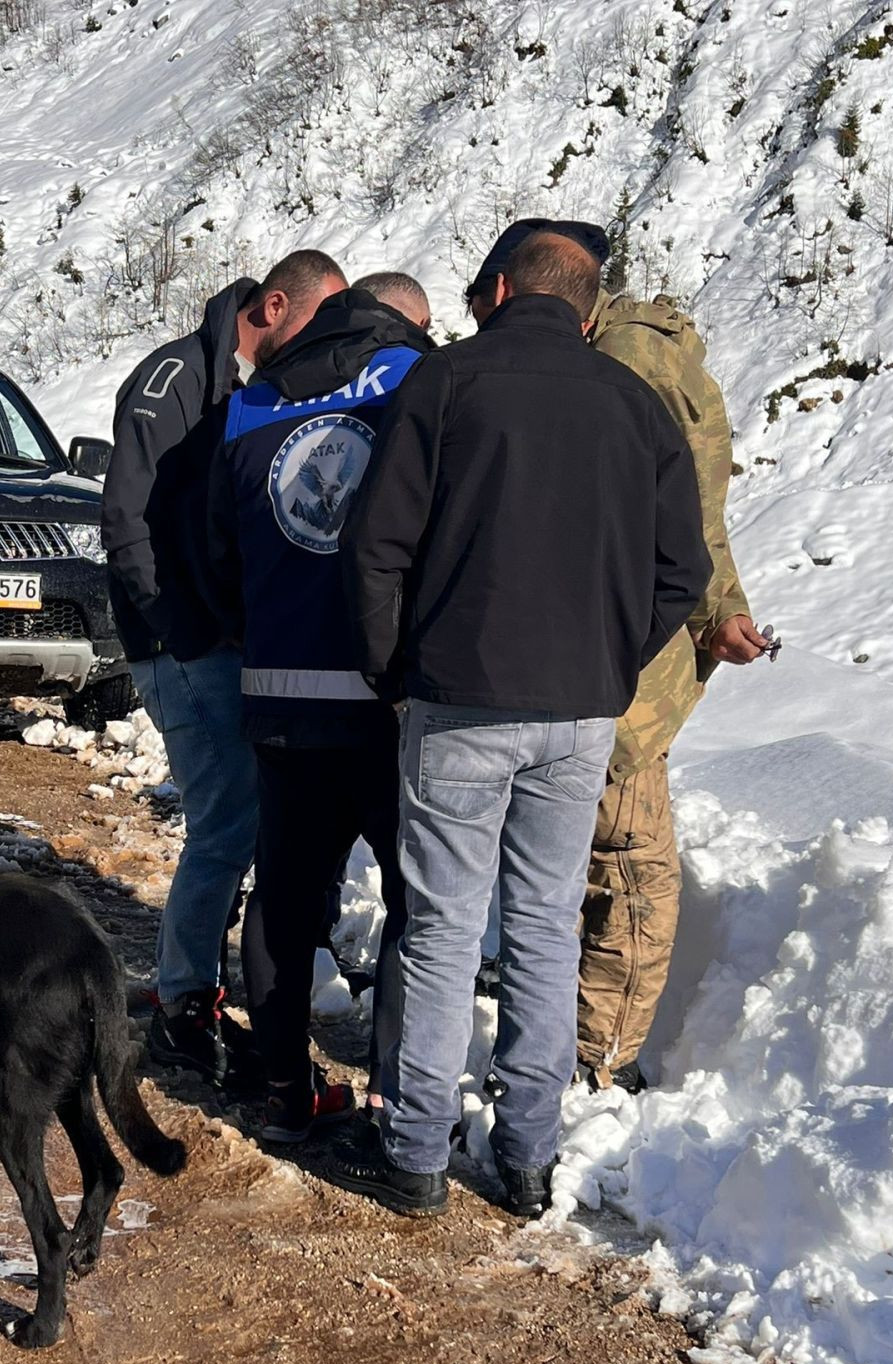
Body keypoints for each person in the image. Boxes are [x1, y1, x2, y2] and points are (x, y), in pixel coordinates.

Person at [331, 230, 712, 1220]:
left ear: (497, 290)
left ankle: (414, 1155)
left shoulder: (445, 383)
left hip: (455, 698)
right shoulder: (634, 404)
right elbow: (682, 572)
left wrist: (393, 674)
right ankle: (527, 1158)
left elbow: (372, 549)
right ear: (587, 312)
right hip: (579, 710)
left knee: (444, 925)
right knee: (542, 927)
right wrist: (609, 657)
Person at [464, 219, 772, 1092]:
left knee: (627, 864)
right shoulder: (641, 358)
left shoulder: (625, 367)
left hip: (607, 671)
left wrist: (699, 615)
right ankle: (570, 1036)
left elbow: (670, 528)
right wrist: (719, 611)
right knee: (580, 855)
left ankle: (599, 1060)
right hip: (605, 657)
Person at [101, 251, 348, 1088]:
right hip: (182, 643)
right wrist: (179, 628)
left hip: (222, 639)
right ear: (273, 306)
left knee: (237, 821)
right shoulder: (176, 377)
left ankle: (192, 987)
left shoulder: (249, 386)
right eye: (318, 325)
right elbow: (126, 516)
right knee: (225, 825)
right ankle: (182, 1007)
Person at [203, 273, 435, 1141]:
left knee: (284, 897)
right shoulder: (417, 377)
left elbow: (219, 551)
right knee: (417, 901)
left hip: (278, 693)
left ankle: (283, 1091)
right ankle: (392, 1099)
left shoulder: (252, 401)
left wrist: (265, 632)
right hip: (385, 701)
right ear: (407, 319)